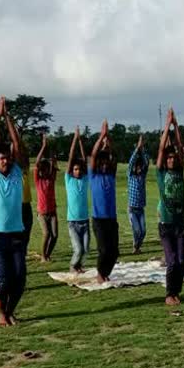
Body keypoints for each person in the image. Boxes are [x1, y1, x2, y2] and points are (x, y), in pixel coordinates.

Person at [0, 97, 26, 326]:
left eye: (7, 158)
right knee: (4, 280)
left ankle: (9, 311)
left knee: (19, 281)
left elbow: (16, 145)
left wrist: (9, 118)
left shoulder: (17, 173)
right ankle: (2, 314)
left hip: (17, 235)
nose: (5, 161)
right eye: (1, 159)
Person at [156, 108, 184, 305]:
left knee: (182, 261)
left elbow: (181, 148)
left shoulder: (180, 171)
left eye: (173, 157)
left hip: (180, 223)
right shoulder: (160, 173)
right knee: (172, 260)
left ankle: (176, 292)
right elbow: (161, 150)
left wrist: (177, 126)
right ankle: (169, 294)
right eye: (168, 157)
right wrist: (167, 126)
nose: (171, 159)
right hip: (166, 224)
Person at [89, 119, 119, 283]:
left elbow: (114, 156)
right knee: (104, 249)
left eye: (107, 161)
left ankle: (105, 272)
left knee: (114, 251)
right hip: (99, 219)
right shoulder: (93, 175)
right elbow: (94, 155)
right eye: (103, 162)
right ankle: (101, 274)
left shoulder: (111, 175)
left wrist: (109, 142)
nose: (105, 163)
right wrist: (101, 137)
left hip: (111, 219)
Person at [65, 127, 90, 273]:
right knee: (78, 249)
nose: (77, 171)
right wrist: (75, 139)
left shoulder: (85, 179)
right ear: (71, 171)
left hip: (85, 221)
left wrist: (81, 141)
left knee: (86, 250)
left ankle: (78, 266)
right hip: (73, 223)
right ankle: (73, 266)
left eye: (79, 169)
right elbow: (70, 158)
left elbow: (84, 159)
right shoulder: (68, 180)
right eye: (75, 169)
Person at [34, 134, 59, 263]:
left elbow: (54, 166)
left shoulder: (51, 179)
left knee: (55, 236)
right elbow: (37, 163)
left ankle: (47, 254)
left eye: (45, 169)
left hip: (53, 212)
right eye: (41, 170)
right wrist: (43, 146)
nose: (43, 171)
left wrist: (53, 158)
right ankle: (43, 257)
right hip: (42, 213)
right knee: (47, 234)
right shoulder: (38, 180)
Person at [127, 135, 149, 254]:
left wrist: (143, 149)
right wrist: (138, 148)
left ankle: (137, 247)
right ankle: (135, 247)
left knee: (143, 231)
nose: (139, 169)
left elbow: (147, 162)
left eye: (140, 167)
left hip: (140, 209)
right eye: (137, 167)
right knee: (136, 230)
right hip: (132, 209)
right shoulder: (130, 176)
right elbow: (131, 162)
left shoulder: (142, 176)